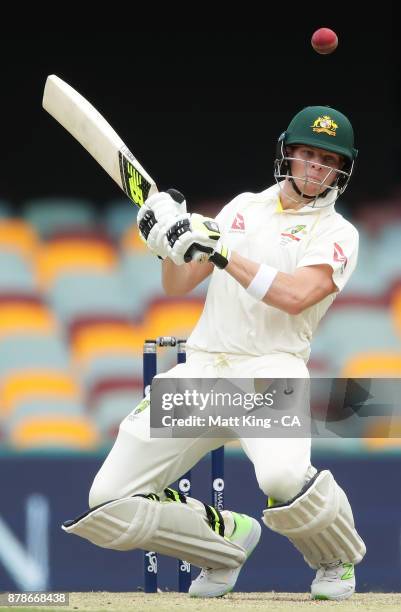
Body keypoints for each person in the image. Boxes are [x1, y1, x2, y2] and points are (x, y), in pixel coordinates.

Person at [62, 106, 366, 601]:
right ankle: (222, 542)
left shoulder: (339, 234)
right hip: (204, 368)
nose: (315, 168)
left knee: (283, 477)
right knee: (109, 500)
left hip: (272, 370)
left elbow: (294, 295)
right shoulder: (241, 207)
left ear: (341, 171)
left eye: (327, 160)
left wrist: (222, 249)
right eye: (307, 154)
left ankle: (336, 558)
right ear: (287, 154)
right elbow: (179, 283)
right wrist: (168, 245)